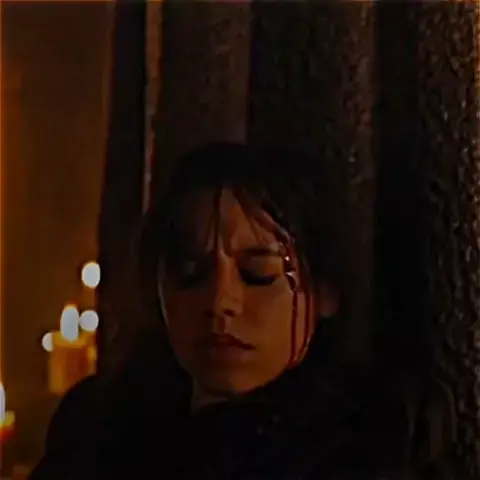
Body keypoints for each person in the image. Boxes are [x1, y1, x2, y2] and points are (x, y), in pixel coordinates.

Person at [30, 143, 458, 479]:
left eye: (258, 275)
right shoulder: (97, 434)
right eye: (190, 272)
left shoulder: (372, 453)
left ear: (325, 291)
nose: (220, 302)